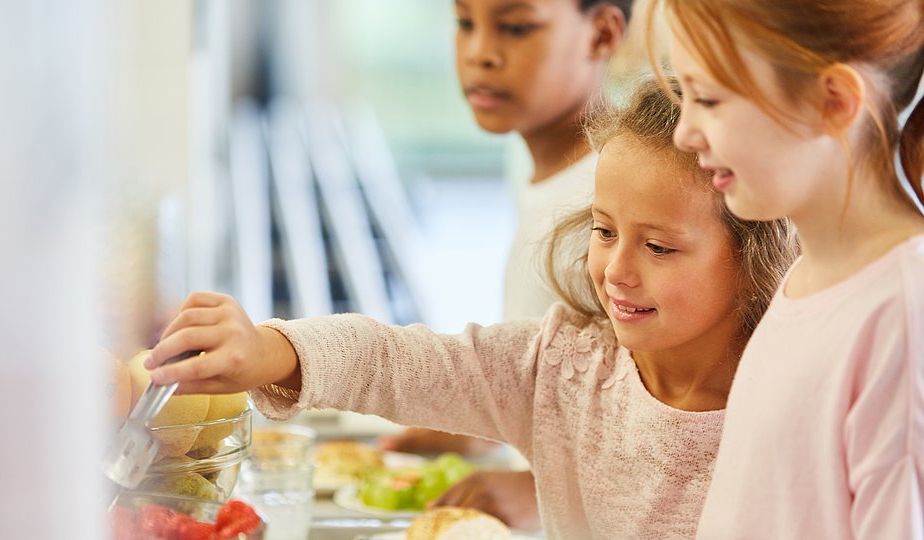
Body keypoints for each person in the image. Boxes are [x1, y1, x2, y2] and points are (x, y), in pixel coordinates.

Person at [145, 78, 796, 539]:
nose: (616, 270)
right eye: (602, 231)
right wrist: (269, 350)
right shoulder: (563, 366)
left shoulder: (793, 403)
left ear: (755, 257)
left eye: (657, 246)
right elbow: (398, 361)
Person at [646, 0, 924, 537]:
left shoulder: (902, 313)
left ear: (834, 101)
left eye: (707, 99)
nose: (685, 133)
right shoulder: (809, 278)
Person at [379, 0, 633, 529]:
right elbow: (574, 376)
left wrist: (539, 490)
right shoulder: (538, 163)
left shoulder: (618, 201)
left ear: (602, 34)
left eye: (516, 27)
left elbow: (671, 414)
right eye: (464, 23)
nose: (479, 54)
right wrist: (486, 419)